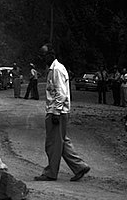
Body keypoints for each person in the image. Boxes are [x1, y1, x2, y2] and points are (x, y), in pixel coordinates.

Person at [34, 44, 91, 182]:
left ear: (50, 55)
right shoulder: (56, 68)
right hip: (59, 111)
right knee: (61, 141)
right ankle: (79, 166)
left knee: (53, 143)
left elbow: (61, 93)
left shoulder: (57, 70)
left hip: (57, 112)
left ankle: (50, 173)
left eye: (43, 56)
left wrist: (56, 112)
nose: (42, 59)